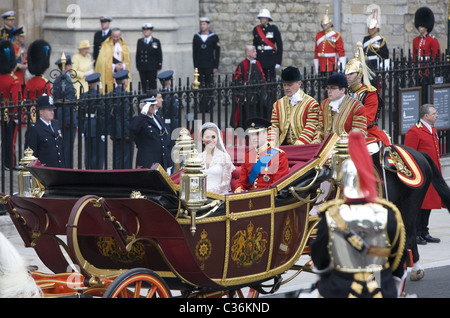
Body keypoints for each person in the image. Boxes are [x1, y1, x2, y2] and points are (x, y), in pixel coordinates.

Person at [310, 131, 406, 298]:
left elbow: (320, 261)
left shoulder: (330, 214)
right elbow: (397, 260)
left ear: (343, 181)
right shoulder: (388, 213)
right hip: (380, 288)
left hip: (339, 290)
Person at [404, 104, 442, 245]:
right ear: (426, 116)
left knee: (429, 203)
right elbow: (410, 155)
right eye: (434, 113)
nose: (436, 115)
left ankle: (424, 231)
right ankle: (417, 233)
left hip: (432, 173)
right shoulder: (414, 131)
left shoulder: (432, 130)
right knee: (420, 204)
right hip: (421, 174)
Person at [345, 42, 390, 150]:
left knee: (372, 151)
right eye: (347, 74)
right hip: (343, 132)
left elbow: (367, 119)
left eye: (351, 74)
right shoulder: (344, 91)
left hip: (366, 133)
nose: (348, 77)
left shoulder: (369, 93)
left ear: (360, 75)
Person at [268, 66, 319, 146]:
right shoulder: (278, 104)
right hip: (283, 147)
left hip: (303, 147)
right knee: (262, 158)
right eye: (284, 85)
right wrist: (270, 144)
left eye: (289, 85)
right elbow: (274, 128)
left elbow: (310, 128)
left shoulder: (311, 104)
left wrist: (297, 146)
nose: (286, 88)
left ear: (299, 83)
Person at [234, 118, 289, 193]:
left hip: (268, 198)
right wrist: (239, 189)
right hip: (250, 197)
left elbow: (278, 185)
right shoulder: (248, 155)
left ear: (265, 134)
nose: (254, 138)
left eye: (257, 134)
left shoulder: (279, 155)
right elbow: (242, 182)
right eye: (251, 134)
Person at [313, 73, 367, 143]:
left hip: (346, 149)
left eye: (333, 88)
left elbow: (358, 133)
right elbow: (320, 128)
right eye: (328, 88)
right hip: (326, 148)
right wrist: (317, 141)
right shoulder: (324, 104)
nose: (329, 91)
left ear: (342, 90)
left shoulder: (356, 106)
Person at [131, 96, 171, 172]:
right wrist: (143, 114)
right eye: (151, 105)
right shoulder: (140, 120)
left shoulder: (157, 118)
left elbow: (163, 139)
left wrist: (167, 163)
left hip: (160, 161)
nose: (153, 107)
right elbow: (134, 128)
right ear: (143, 106)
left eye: (154, 105)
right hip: (148, 161)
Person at [24, 95, 65, 168]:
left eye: (52, 110)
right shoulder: (34, 129)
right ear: (41, 111)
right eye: (49, 110)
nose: (52, 112)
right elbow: (30, 155)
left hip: (59, 168)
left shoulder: (56, 124)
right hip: (45, 171)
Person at [231, 45, 266, 128]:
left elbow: (262, 76)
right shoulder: (242, 65)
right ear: (248, 53)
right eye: (254, 51)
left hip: (257, 94)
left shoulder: (257, 63)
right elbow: (237, 78)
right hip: (246, 95)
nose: (256, 52)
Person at [53, 55, 78, 168]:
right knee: (67, 146)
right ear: (67, 66)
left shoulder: (59, 79)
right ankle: (66, 167)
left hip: (63, 116)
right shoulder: (65, 79)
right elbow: (66, 101)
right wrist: (68, 120)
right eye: (70, 64)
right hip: (66, 118)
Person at [0, 40, 21, 171]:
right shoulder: (14, 80)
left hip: (2, 111)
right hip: (10, 113)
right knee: (11, 140)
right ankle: (10, 162)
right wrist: (16, 115)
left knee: (4, 138)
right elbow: (15, 100)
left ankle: (4, 161)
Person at [200, 122, 235, 194]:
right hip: (200, 196)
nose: (210, 140)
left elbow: (225, 184)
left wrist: (208, 193)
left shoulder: (225, 157)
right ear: (202, 138)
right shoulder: (198, 157)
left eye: (213, 137)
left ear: (217, 138)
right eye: (207, 137)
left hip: (219, 197)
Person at [107, 70, 133, 169]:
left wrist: (111, 132)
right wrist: (127, 133)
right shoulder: (126, 95)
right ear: (124, 82)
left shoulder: (110, 94)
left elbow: (108, 115)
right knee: (126, 158)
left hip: (115, 130)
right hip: (124, 130)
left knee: (117, 156)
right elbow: (126, 116)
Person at [80, 72, 105, 169]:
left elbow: (80, 114)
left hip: (87, 124)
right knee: (97, 152)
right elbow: (102, 113)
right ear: (97, 83)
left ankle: (88, 168)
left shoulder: (84, 95)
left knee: (88, 152)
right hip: (96, 124)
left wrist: (82, 128)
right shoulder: (99, 95)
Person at [95, 27, 131, 93]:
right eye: (114, 36)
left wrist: (123, 66)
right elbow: (102, 62)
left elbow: (127, 61)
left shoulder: (124, 45)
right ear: (111, 35)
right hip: (110, 73)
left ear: (120, 36)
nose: (115, 39)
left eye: (117, 37)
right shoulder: (105, 45)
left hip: (121, 72)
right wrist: (114, 66)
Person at [252, 9, 283, 82]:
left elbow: (279, 46)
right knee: (259, 81)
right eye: (260, 18)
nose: (261, 19)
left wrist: (278, 62)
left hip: (270, 59)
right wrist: (253, 58)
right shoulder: (256, 29)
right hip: (259, 58)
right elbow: (255, 45)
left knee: (271, 81)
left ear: (267, 18)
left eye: (263, 17)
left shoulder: (273, 29)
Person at [192, 17, 220, 88]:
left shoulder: (214, 37)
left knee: (209, 83)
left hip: (209, 64)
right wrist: (195, 66)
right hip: (200, 65)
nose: (202, 26)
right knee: (200, 83)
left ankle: (209, 98)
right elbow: (194, 53)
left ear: (208, 25)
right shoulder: (196, 37)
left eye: (204, 24)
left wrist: (215, 66)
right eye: (201, 24)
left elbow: (217, 53)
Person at [136, 23, 162, 92]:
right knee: (144, 85)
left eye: (147, 30)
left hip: (152, 67)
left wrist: (159, 65)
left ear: (151, 31)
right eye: (144, 30)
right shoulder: (140, 41)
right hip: (142, 67)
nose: (146, 31)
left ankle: (153, 99)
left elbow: (159, 54)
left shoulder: (155, 41)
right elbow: (138, 55)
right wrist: (138, 65)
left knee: (152, 85)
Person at [363, 5, 389, 72]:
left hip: (376, 66)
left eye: (372, 28)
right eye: (369, 27)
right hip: (367, 66)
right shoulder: (365, 39)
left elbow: (385, 56)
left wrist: (382, 69)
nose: (370, 29)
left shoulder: (381, 40)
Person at [12, 26, 27, 91]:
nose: (23, 38)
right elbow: (12, 62)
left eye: (23, 36)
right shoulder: (12, 47)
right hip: (15, 75)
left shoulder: (22, 46)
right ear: (16, 37)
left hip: (22, 77)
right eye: (21, 36)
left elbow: (24, 59)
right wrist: (21, 66)